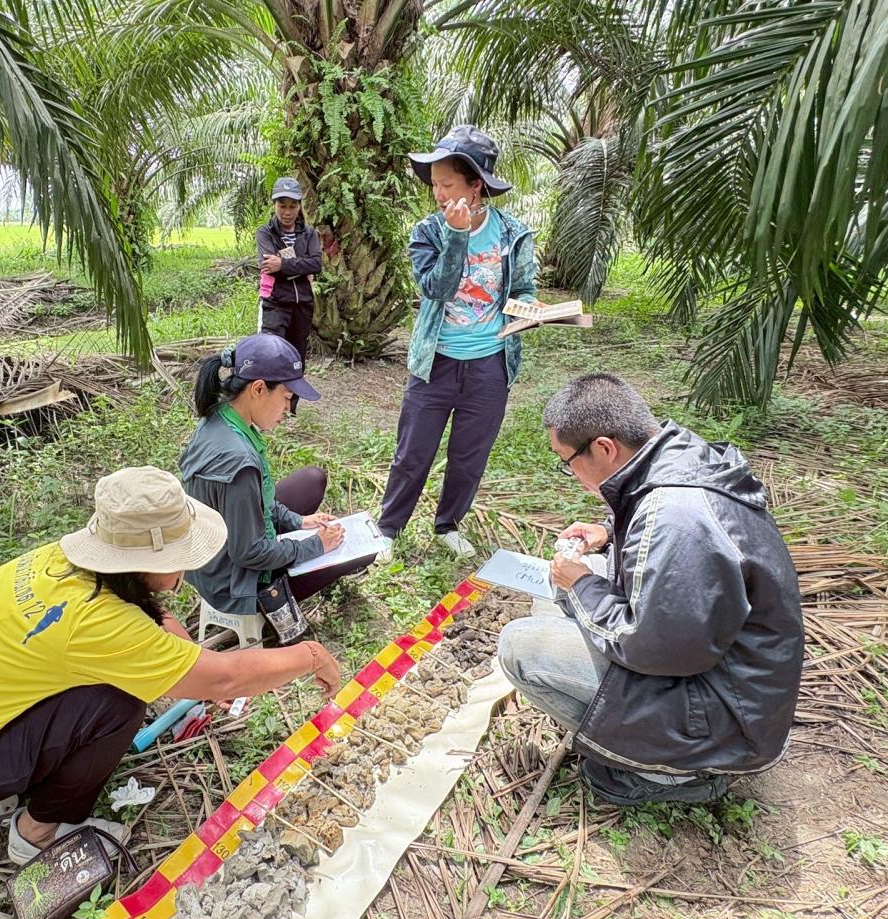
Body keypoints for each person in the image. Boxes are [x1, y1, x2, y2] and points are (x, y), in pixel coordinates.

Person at [0, 466, 342, 864]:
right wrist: (310, 654)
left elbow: (153, 615)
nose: (185, 571)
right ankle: (35, 832)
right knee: (120, 700)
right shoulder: (97, 622)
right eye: (180, 558)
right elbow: (221, 677)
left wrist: (192, 665)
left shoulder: (64, 564)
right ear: (145, 559)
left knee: (121, 684)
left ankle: (26, 776)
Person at [498, 374, 805, 805]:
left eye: (566, 462)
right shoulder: (679, 459)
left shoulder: (676, 515)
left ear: (605, 448)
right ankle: (665, 753)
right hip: (732, 685)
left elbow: (656, 651)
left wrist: (582, 584)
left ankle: (679, 775)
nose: (568, 474)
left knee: (522, 644)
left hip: (726, 716)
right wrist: (608, 532)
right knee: (552, 596)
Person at [375, 125, 537, 561]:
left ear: (476, 185)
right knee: (413, 451)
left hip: (490, 365)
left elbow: (523, 288)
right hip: (436, 363)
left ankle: (448, 524)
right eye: (435, 186)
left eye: (448, 185)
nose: (439, 194)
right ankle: (388, 530)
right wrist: (458, 236)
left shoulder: (514, 235)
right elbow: (437, 289)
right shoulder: (428, 232)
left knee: (470, 455)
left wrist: (529, 311)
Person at [180, 333, 375, 625]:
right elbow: (250, 552)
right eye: (286, 398)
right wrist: (315, 545)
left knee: (311, 479)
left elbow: (258, 499)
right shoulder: (239, 462)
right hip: (235, 583)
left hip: (215, 551)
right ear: (258, 389)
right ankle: (265, 618)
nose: (288, 409)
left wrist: (299, 522)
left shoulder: (219, 417)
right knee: (360, 552)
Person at [256, 176, 322, 415]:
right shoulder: (265, 233)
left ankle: (289, 410)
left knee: (296, 358)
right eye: (282, 205)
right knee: (271, 355)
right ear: (274, 205)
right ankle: (265, 409)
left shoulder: (309, 233)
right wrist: (299, 265)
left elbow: (316, 264)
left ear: (299, 206)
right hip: (275, 304)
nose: (287, 211)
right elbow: (266, 264)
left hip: (302, 305)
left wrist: (282, 264)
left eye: (292, 206)